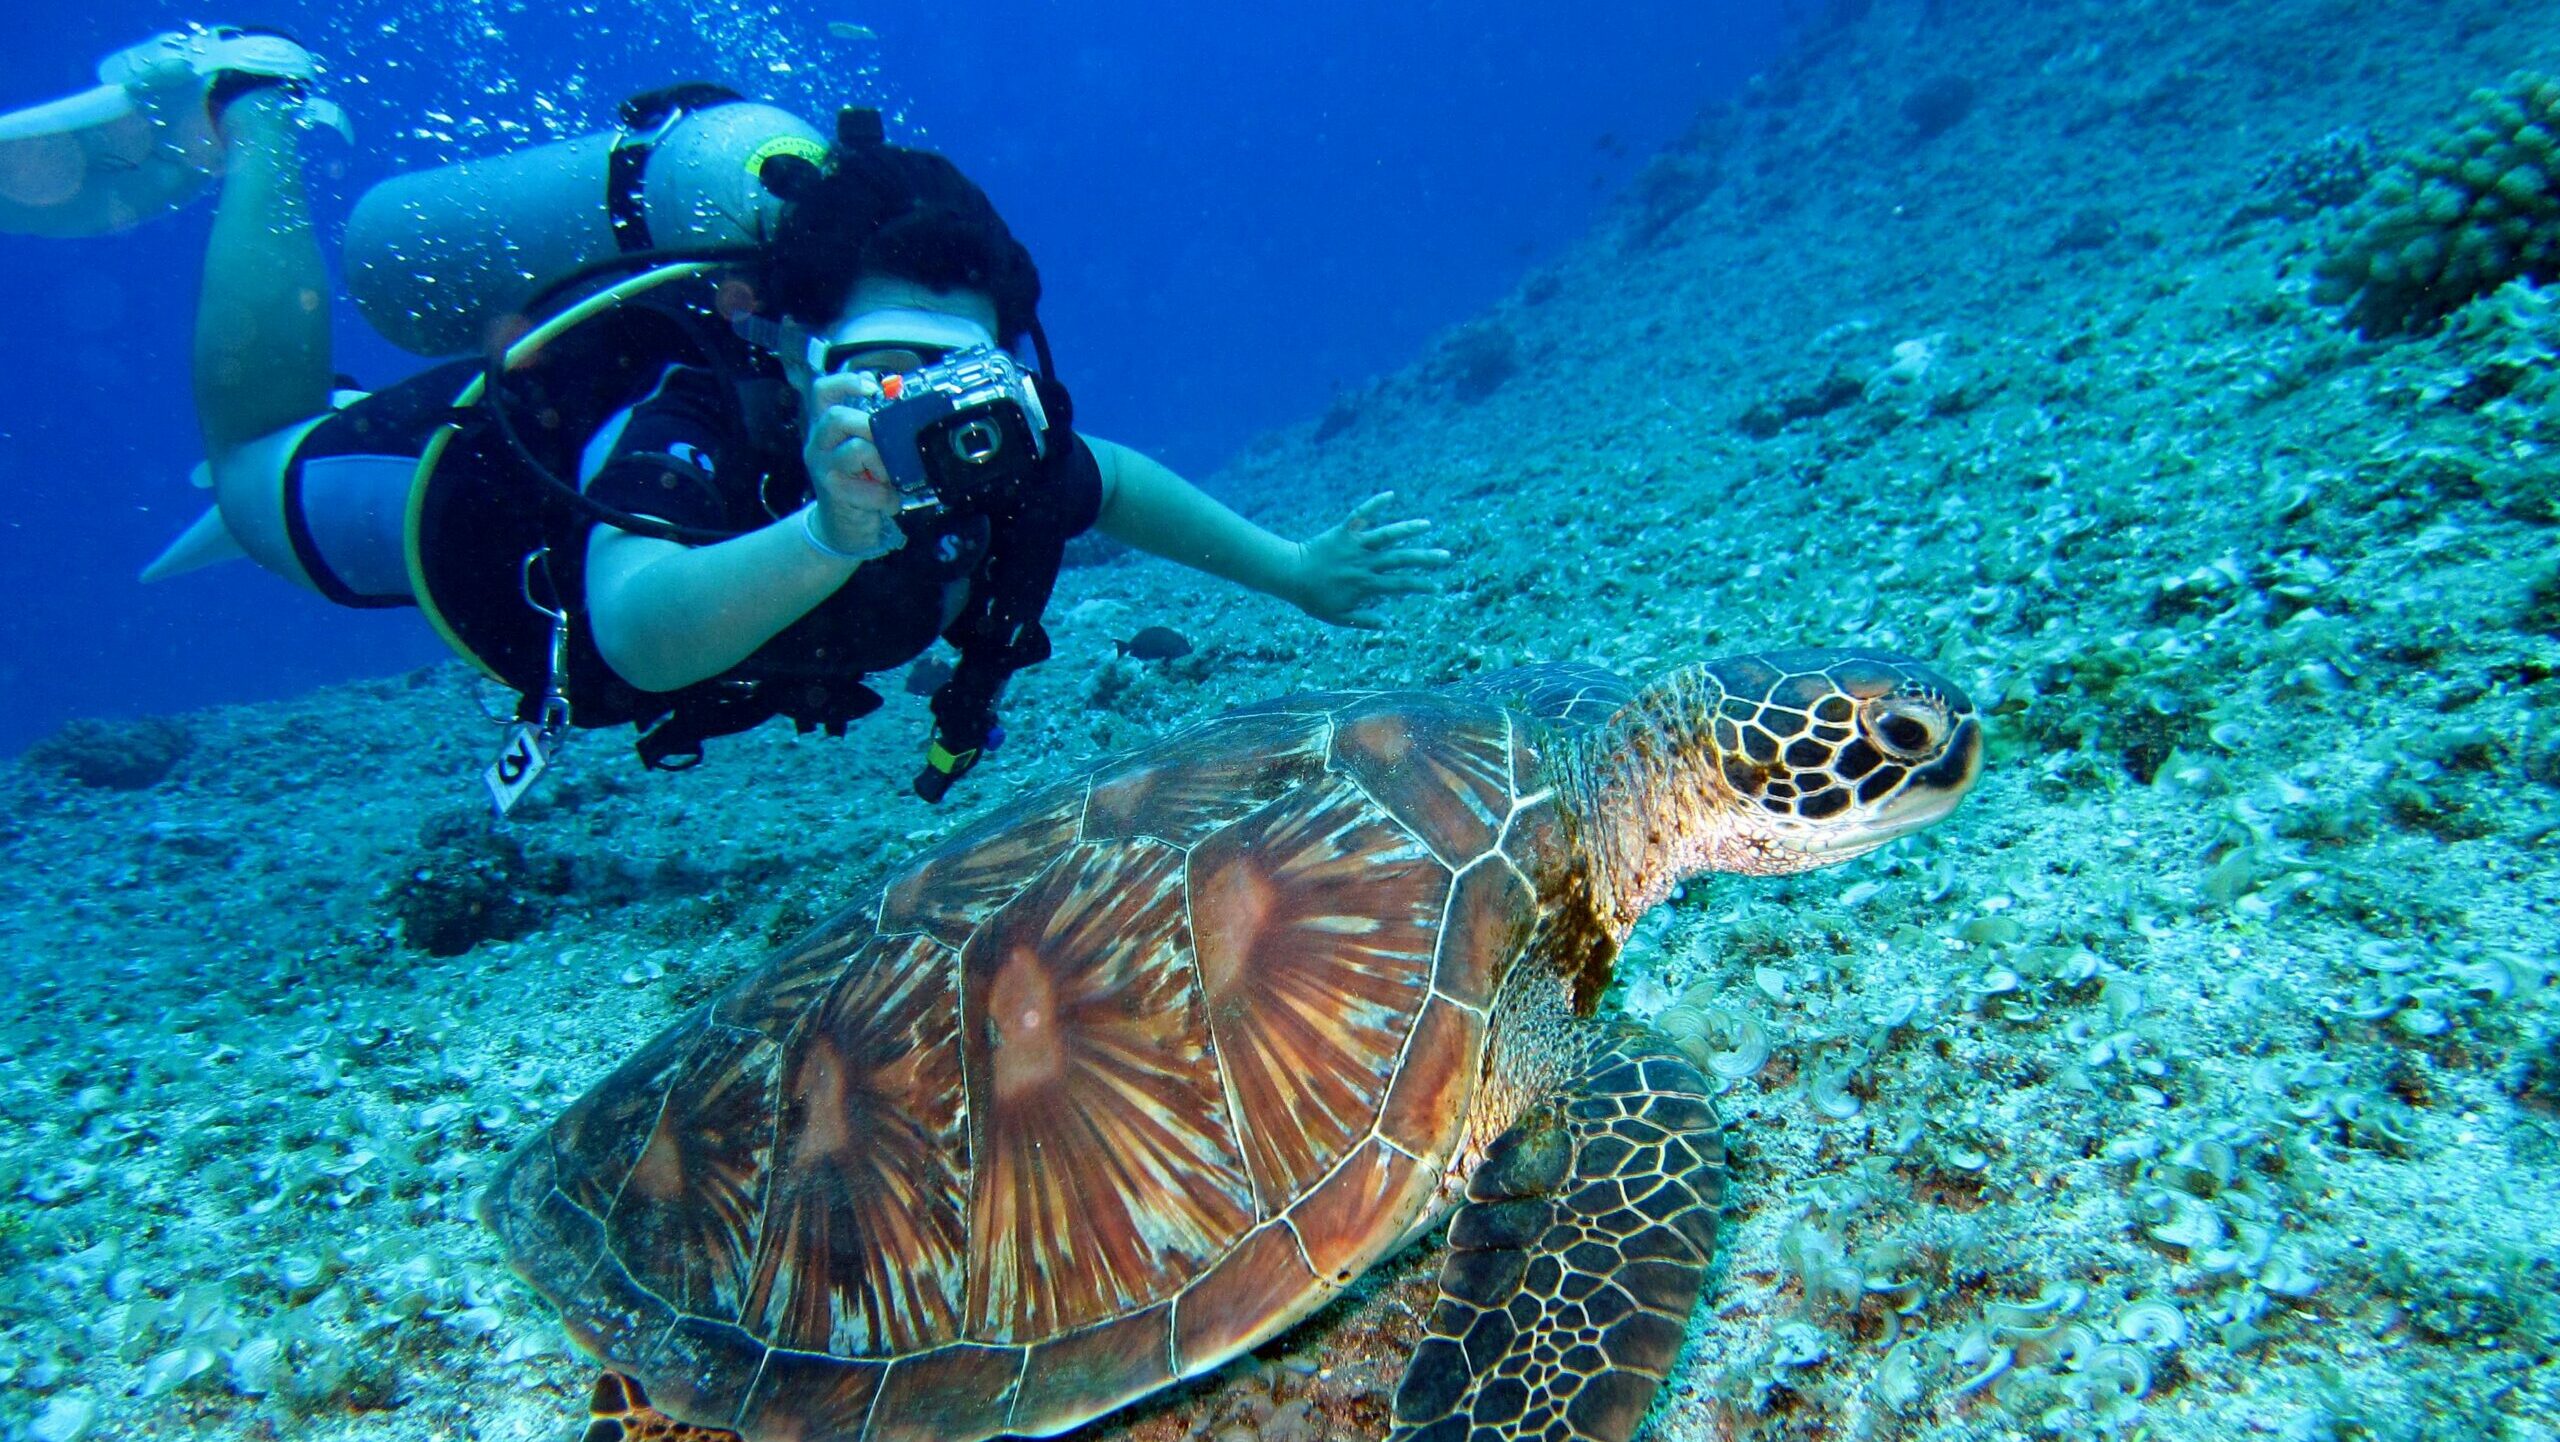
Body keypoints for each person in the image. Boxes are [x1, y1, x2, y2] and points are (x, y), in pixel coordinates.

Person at [2, 28, 1450, 802]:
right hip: (469, 507)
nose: (920, 407)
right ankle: (250, 113)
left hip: (642, 519)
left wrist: (1298, 572)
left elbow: (1113, 479)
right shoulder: (703, 407)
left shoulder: (983, 450)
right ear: (781, 335)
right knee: (251, 474)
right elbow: (634, 625)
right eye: (878, 365)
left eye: (962, 370)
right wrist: (826, 532)